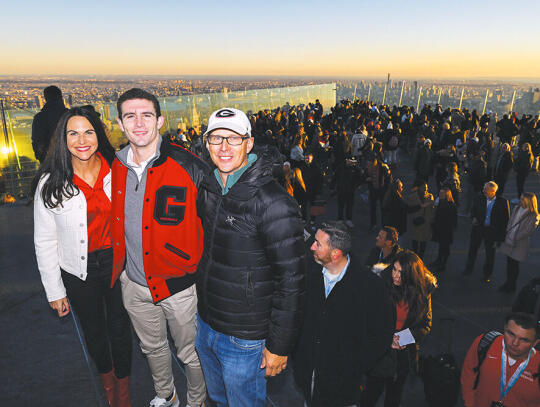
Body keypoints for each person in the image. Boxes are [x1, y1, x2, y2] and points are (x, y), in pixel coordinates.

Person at [195, 107, 306, 407]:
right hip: (207, 323)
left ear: (250, 143)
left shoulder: (274, 203)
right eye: (216, 138)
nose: (224, 147)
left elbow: (292, 280)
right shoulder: (209, 188)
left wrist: (279, 346)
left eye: (234, 139)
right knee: (218, 398)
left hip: (245, 337)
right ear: (206, 144)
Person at [110, 88, 207, 407]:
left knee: (190, 353)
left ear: (160, 121)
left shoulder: (188, 166)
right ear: (120, 124)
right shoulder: (116, 168)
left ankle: (196, 401)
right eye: (130, 116)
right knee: (151, 348)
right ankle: (166, 395)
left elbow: (213, 224)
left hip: (178, 285)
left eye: (146, 115)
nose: (138, 123)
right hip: (135, 284)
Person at [32, 106, 132, 406]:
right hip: (78, 272)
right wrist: (54, 291)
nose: (82, 140)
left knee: (121, 332)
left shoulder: (119, 171)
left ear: (98, 135)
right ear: (62, 140)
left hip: (119, 265)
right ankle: (110, 394)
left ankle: (124, 395)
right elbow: (45, 241)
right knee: (95, 334)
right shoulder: (50, 184)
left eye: (88, 131)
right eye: (72, 133)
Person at [293, 221, 394, 407]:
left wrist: (354, 366)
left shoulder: (370, 286)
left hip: (344, 386)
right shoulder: (307, 273)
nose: (312, 246)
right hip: (309, 378)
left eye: (318, 244)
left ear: (335, 254)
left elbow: (381, 333)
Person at [363, 251, 437, 407]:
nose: (395, 275)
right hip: (380, 352)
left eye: (401, 273)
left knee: (394, 398)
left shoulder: (422, 292)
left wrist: (402, 338)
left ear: (411, 275)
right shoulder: (381, 284)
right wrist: (387, 339)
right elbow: (367, 320)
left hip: (403, 355)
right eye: (394, 269)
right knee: (369, 396)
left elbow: (425, 325)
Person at [461, 312, 540, 407]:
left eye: (524, 340)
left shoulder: (537, 364)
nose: (515, 343)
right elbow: (468, 375)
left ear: (535, 343)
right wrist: (469, 403)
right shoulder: (486, 342)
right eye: (511, 334)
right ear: (504, 328)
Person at [463, 181, 510, 283]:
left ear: (493, 191)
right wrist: (474, 218)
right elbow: (473, 211)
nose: (483, 190)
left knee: (490, 254)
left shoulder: (503, 202)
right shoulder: (479, 198)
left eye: (486, 189)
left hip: (492, 232)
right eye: (484, 188)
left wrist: (500, 238)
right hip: (478, 229)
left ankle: (487, 274)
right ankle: (469, 268)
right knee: (472, 250)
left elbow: (505, 221)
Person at [498, 192, 540, 292]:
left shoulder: (534, 215)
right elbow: (511, 221)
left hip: (519, 243)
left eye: (523, 199)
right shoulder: (517, 208)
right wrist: (508, 233)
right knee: (509, 264)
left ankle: (512, 285)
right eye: (521, 199)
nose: (520, 201)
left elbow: (528, 231)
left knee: (514, 265)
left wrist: (515, 237)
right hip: (509, 238)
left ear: (529, 202)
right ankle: (508, 283)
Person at [31, 85, 68, 163]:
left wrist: (41, 157)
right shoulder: (70, 115)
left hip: (49, 160)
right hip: (70, 158)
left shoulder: (40, 117)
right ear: (60, 97)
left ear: (46, 98)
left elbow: (37, 140)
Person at [431, 187, 458, 272]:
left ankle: (443, 264)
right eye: (440, 193)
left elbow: (453, 220)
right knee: (441, 246)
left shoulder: (451, 205)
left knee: (445, 248)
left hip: (446, 230)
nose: (440, 195)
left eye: (442, 194)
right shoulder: (441, 202)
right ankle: (439, 261)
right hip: (440, 228)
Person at [406, 180, 434, 258]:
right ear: (419, 188)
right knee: (415, 240)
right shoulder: (412, 197)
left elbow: (432, 209)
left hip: (426, 222)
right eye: (423, 187)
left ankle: (420, 257)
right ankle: (414, 256)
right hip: (416, 221)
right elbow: (409, 209)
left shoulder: (430, 196)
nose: (425, 189)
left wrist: (431, 219)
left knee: (423, 241)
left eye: (426, 187)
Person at [366, 155, 392, 231]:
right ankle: (373, 224)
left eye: (371, 163)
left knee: (383, 208)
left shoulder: (383, 167)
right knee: (373, 208)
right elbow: (365, 175)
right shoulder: (369, 167)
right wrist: (366, 179)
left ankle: (384, 225)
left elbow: (389, 178)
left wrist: (387, 189)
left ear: (376, 161)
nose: (370, 165)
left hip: (382, 190)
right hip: (373, 189)